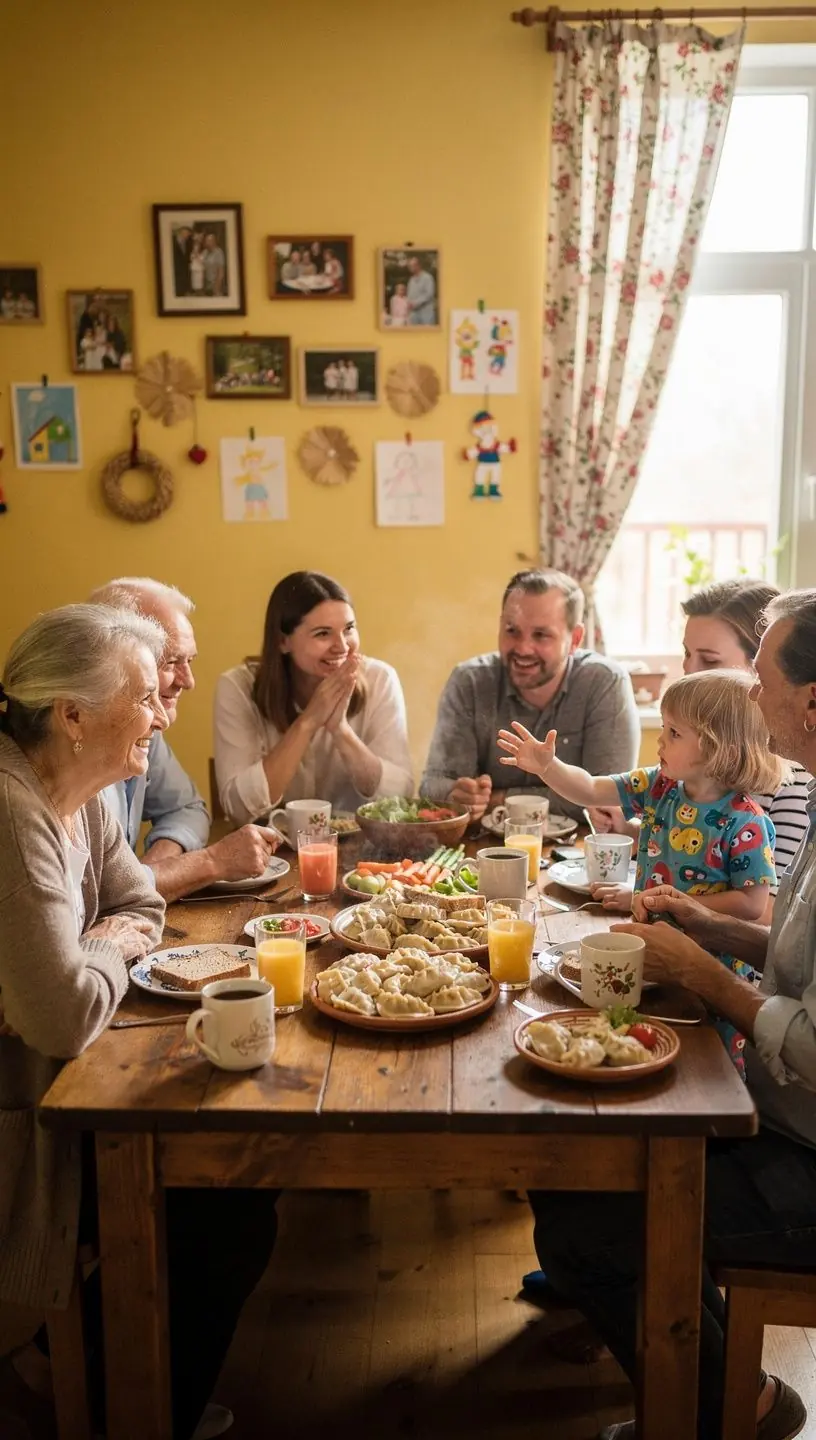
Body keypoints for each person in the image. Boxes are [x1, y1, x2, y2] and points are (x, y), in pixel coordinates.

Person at [528, 587, 816, 1440]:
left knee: (590, 1221)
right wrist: (711, 924)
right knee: (570, 1156)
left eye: (757, 678)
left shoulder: (760, 814)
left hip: (805, 1146)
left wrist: (709, 976)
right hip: (784, 1114)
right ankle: (735, 1397)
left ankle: (726, 1411)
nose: (749, 695)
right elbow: (797, 959)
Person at [0, 604, 279, 1440]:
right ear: (73, 715)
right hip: (20, 1129)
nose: (162, 714)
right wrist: (103, 953)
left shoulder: (76, 785)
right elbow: (63, 1014)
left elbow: (135, 902)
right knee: (224, 1207)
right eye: (144, 697)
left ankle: (109, 1378)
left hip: (50, 1083)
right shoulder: (15, 812)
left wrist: (97, 944)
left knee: (229, 1187)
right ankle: (130, 1402)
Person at [500, 668, 783, 1069]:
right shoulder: (659, 786)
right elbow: (590, 789)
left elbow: (753, 904)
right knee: (641, 1035)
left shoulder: (745, 821)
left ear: (715, 746)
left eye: (673, 733)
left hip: (708, 967)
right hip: (651, 949)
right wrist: (549, 768)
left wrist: (682, 903)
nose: (660, 740)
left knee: (705, 1057)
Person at [592, 578, 813, 903]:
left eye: (709, 661)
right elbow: (705, 850)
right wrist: (631, 831)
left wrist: (656, 901)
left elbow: (769, 908)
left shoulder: (794, 774)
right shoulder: (699, 747)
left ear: (757, 667)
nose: (689, 672)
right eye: (686, 654)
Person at [91, 578, 281, 902]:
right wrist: (212, 861)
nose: (188, 681)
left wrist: (154, 868)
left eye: (189, 661)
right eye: (171, 662)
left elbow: (187, 808)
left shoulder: (147, 728)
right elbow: (105, 891)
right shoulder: (76, 750)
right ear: (118, 660)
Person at [420, 569, 640, 824]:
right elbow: (432, 785)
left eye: (541, 635)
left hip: (577, 853)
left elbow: (609, 800)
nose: (523, 648)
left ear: (575, 639)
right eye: (512, 630)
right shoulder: (469, 682)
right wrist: (455, 794)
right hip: (485, 850)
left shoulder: (604, 683)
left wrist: (499, 799)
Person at [214, 570, 413, 822]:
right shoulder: (237, 687)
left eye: (349, 629)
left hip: (361, 848)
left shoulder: (380, 679)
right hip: (272, 851)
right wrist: (308, 722)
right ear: (282, 641)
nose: (342, 646)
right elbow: (239, 809)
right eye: (323, 633)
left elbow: (400, 798)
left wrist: (340, 730)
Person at [406, 255, 436, 325]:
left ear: (418, 265)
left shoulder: (427, 278)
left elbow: (429, 294)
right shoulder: (411, 280)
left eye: (412, 265)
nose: (410, 268)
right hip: (413, 314)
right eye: (409, 266)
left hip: (426, 313)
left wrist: (415, 303)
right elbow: (409, 295)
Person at [203, 232, 225, 296]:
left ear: (214, 241)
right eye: (206, 240)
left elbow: (221, 271)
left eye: (209, 240)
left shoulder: (219, 252)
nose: (207, 242)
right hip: (206, 284)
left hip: (215, 283)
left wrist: (217, 287)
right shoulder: (205, 252)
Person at [172, 225, 192, 298]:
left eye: (188, 234)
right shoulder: (172, 242)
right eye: (186, 233)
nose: (188, 235)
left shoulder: (188, 243)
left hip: (185, 272)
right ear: (181, 232)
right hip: (176, 271)